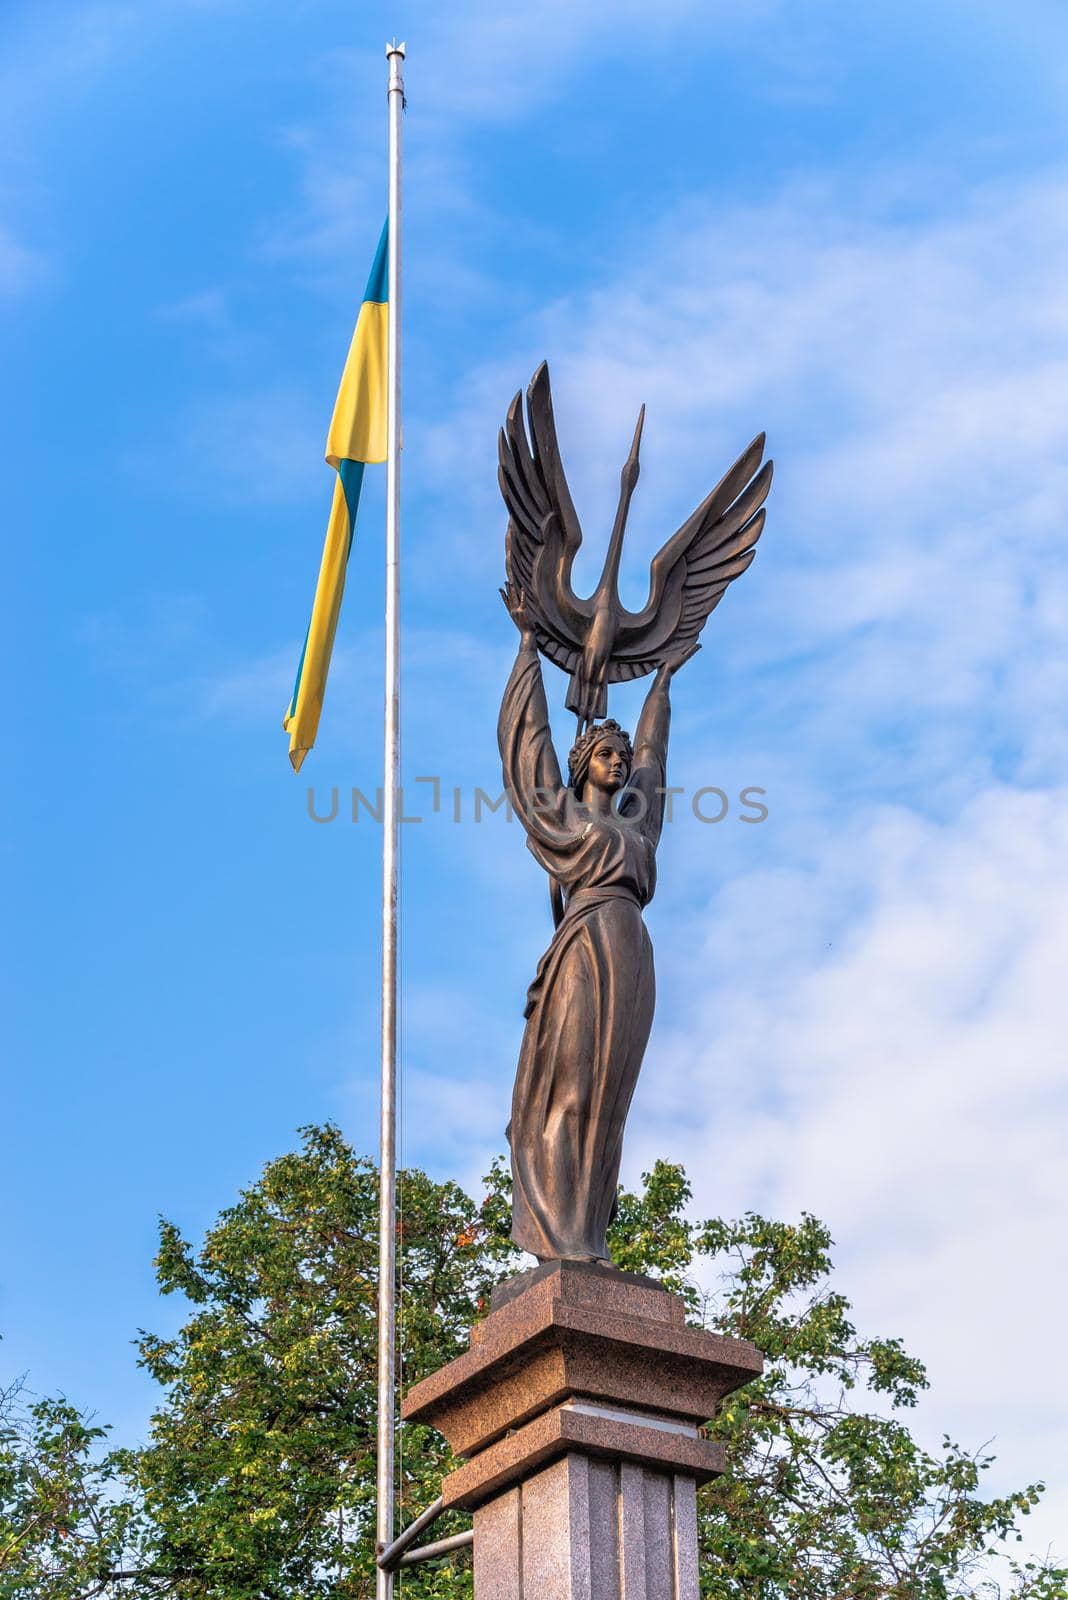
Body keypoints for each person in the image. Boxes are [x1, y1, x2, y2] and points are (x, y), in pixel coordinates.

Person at [498, 581, 697, 1261]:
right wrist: (528, 646)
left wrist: (662, 681)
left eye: (621, 755)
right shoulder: (563, 818)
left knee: (611, 1100)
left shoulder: (638, 828)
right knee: (574, 1087)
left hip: (631, 951)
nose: (620, 761)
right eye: (606, 755)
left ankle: (591, 1239)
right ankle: (560, 1238)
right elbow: (529, 751)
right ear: (585, 766)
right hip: (583, 948)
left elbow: (656, 758)